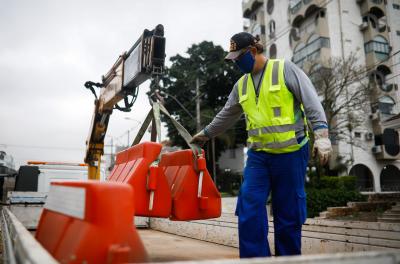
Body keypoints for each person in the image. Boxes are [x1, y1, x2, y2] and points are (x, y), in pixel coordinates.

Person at [191, 32, 332, 258]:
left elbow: (311, 101)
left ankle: (288, 260)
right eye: (233, 59)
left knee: (288, 212)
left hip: (292, 152)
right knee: (249, 207)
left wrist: (322, 135)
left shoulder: (284, 69)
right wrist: (205, 134)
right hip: (259, 157)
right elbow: (227, 114)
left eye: (239, 57)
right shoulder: (241, 85)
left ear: (253, 51)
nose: (236, 63)